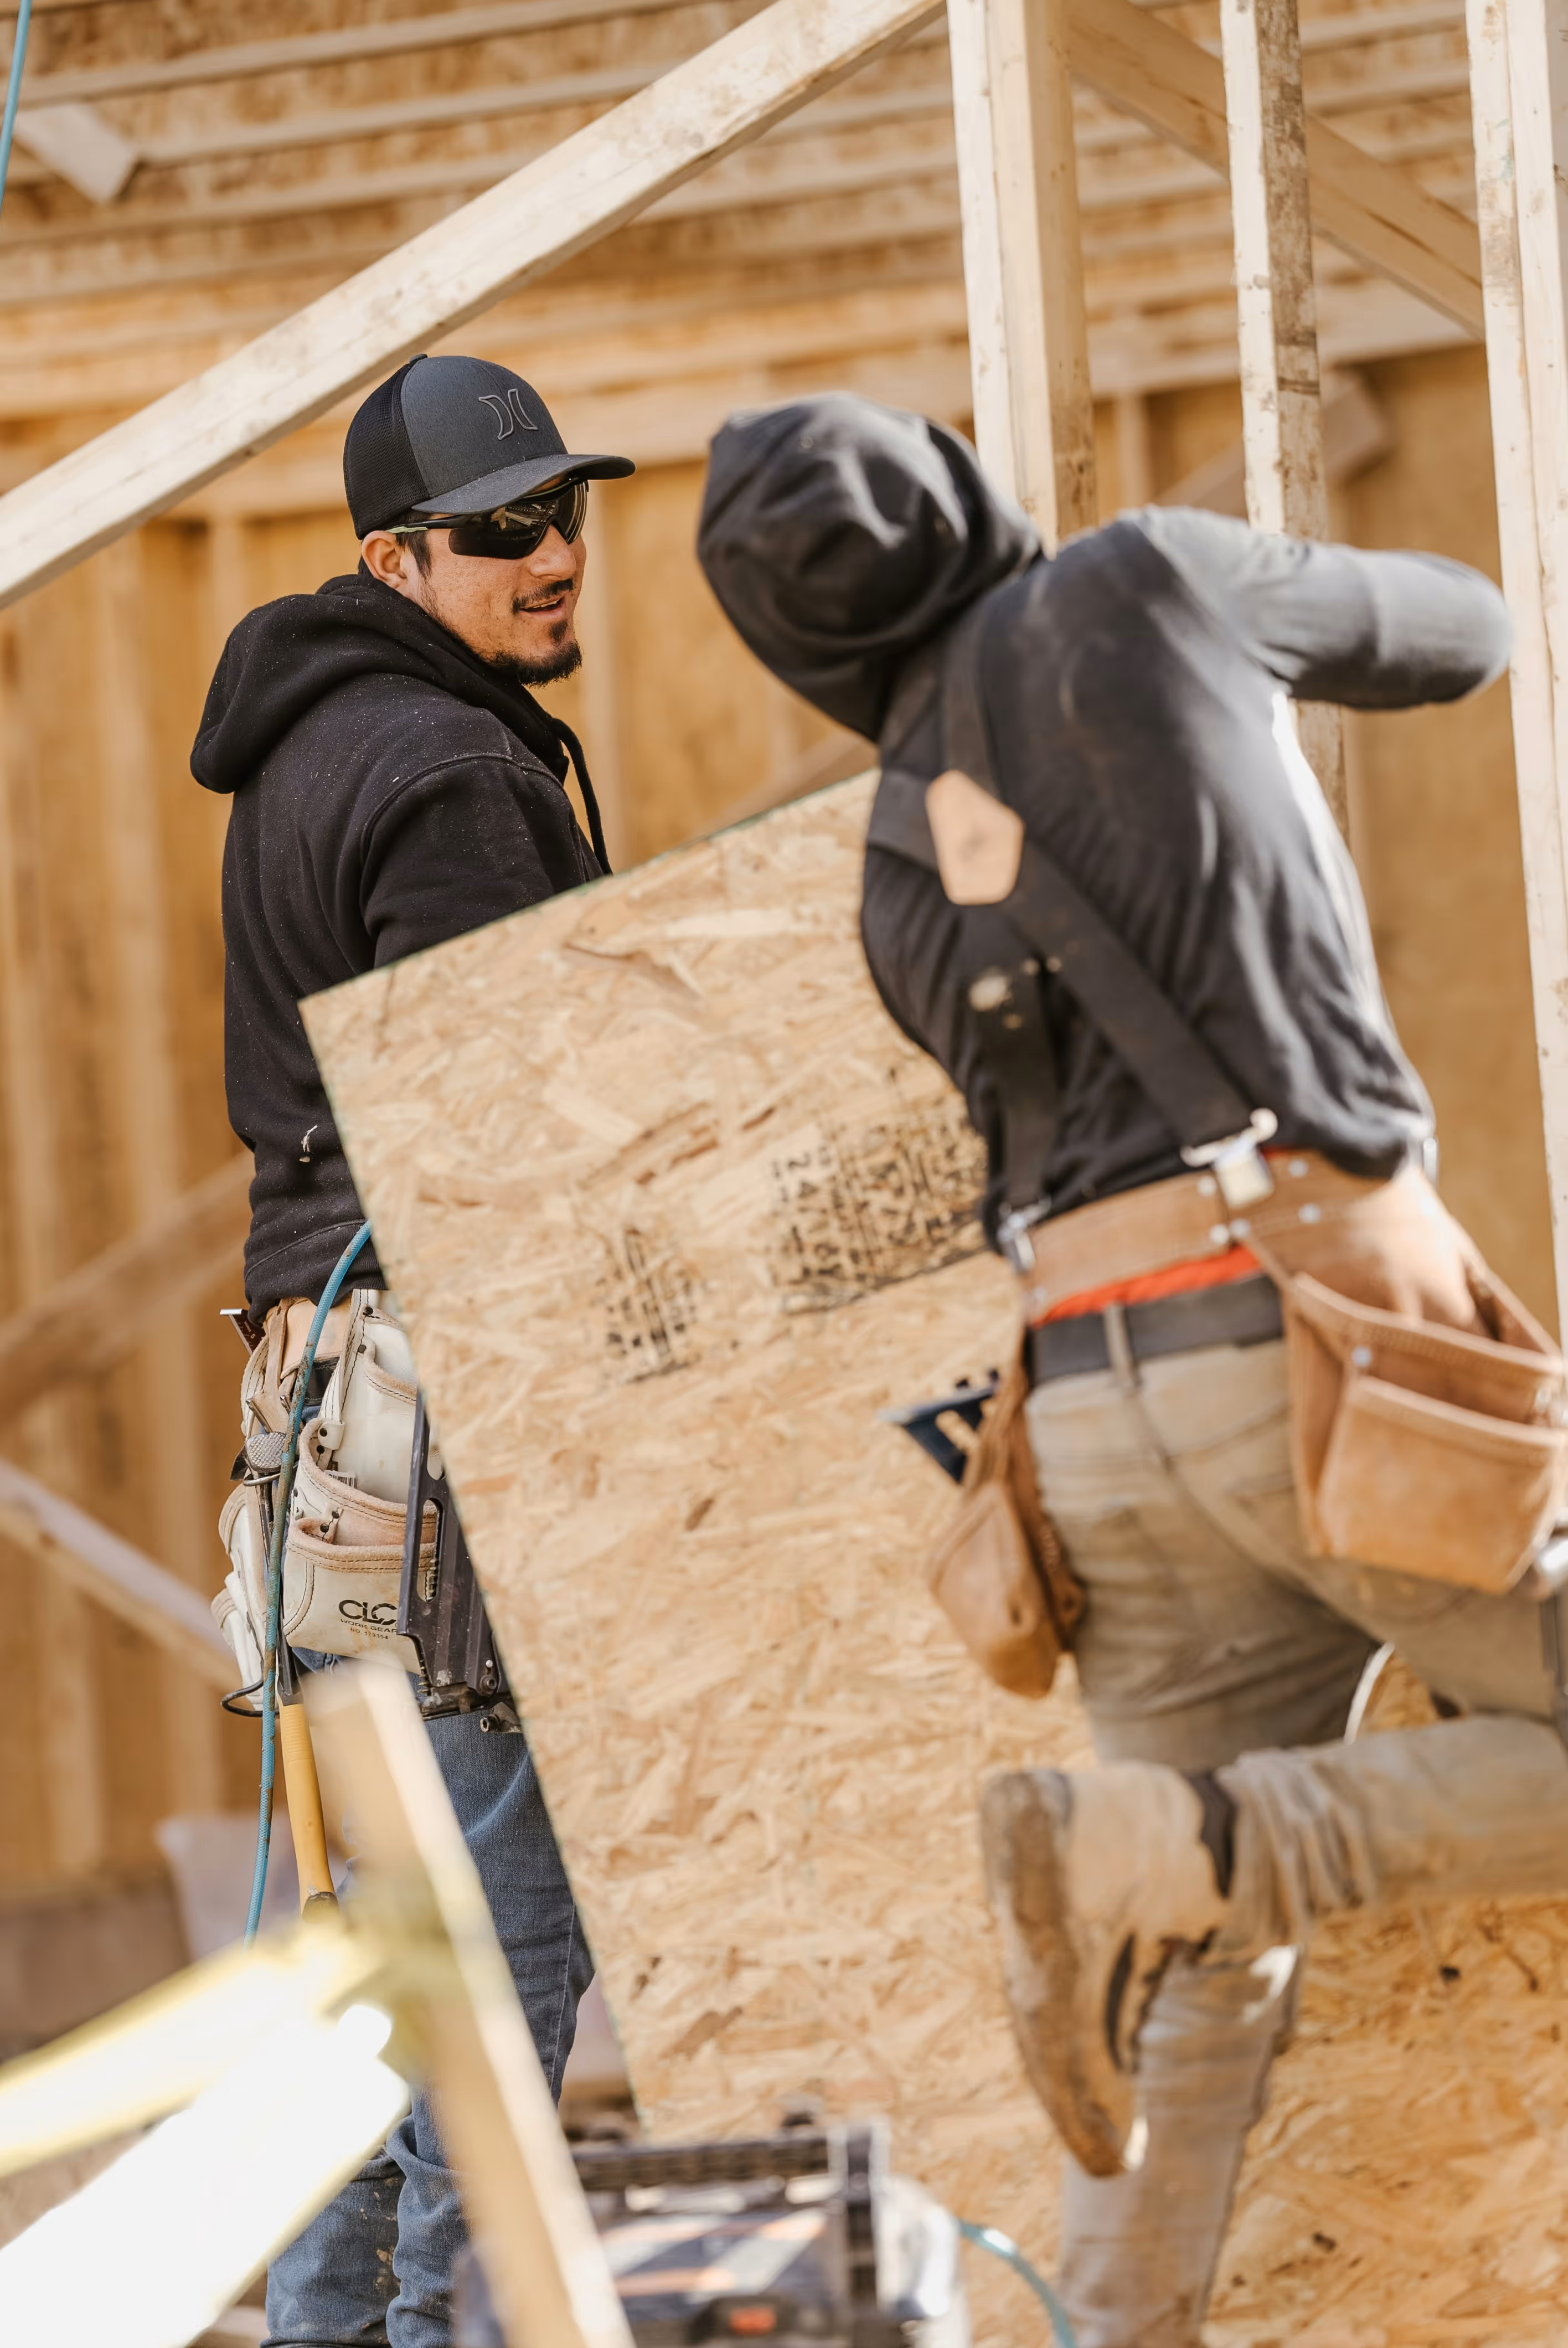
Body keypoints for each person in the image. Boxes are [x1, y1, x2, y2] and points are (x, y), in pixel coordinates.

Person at [696, 392, 1568, 2348]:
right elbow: (1469, 628)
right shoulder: (1152, 583)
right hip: (1316, 1332)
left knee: (1197, 1976)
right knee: (1229, 1860)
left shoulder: (893, 864)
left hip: (1081, 1409)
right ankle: (1234, 1837)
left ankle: (1113, 2316)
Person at [192, 353, 635, 2348]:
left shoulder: (310, 746)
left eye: (567, 512)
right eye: (506, 532)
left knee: (363, 1982)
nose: (555, 557)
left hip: (322, 1417)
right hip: (452, 1430)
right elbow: (518, 1153)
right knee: (483, 1986)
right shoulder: (454, 778)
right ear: (398, 556)